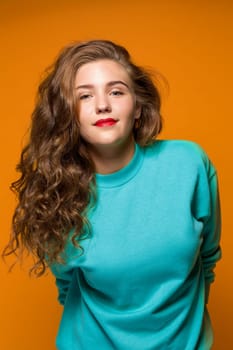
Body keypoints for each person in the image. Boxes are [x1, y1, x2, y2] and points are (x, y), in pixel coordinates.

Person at [3, 40, 221, 350]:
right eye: (85, 96)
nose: (102, 105)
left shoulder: (188, 164)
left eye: (116, 91)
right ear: (68, 115)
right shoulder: (55, 193)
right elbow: (67, 285)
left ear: (138, 107)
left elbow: (208, 257)